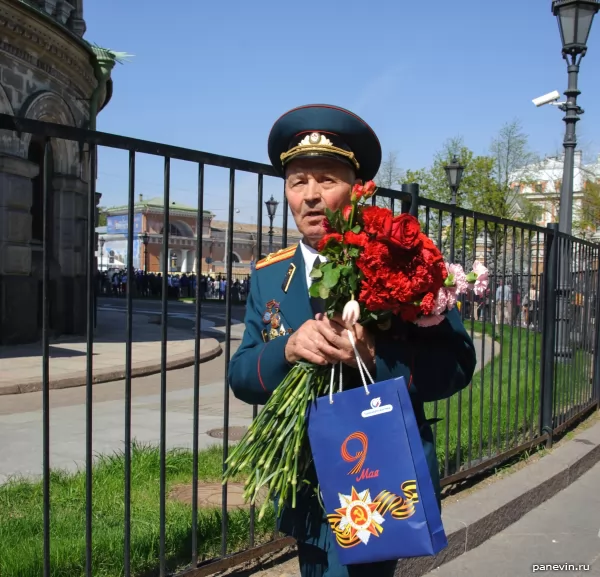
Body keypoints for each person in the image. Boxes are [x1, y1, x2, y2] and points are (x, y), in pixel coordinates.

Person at [228, 104, 477, 577]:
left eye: (327, 179)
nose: (312, 196)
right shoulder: (269, 276)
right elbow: (241, 375)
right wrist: (286, 349)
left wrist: (377, 358)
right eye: (299, 182)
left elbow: (457, 364)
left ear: (359, 190)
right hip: (304, 481)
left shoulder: (402, 260)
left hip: (378, 475)